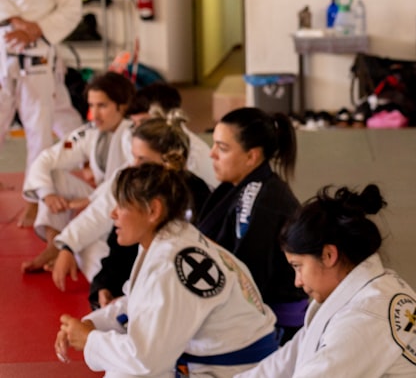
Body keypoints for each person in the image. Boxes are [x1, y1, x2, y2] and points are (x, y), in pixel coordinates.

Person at [54, 163, 277, 376]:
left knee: (128, 373)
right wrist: (93, 323)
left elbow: (146, 359)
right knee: (121, 366)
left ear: (154, 210)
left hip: (236, 370)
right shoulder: (172, 238)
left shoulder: (173, 264)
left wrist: (90, 339)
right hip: (220, 359)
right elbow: (139, 302)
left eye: (122, 206)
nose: (113, 214)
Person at [234, 184, 416, 377]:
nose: (297, 282)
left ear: (328, 255)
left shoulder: (366, 317)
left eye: (298, 267)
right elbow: (286, 361)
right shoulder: (370, 292)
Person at [46, 111, 211, 309]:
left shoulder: (197, 195)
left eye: (142, 159)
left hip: (176, 294)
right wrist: (106, 287)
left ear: (170, 159)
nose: (134, 165)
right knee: (90, 253)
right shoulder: (135, 188)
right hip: (137, 286)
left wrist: (133, 302)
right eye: (133, 157)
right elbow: (117, 248)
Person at [0, 0, 83, 227]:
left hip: (37, 55)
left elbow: (72, 10)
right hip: (3, 43)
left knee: (38, 132)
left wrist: (34, 29)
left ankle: (34, 200)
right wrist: (12, 19)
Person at [199, 107, 308, 342]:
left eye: (223, 148)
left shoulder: (260, 201)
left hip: (274, 328)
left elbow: (247, 277)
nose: (212, 154)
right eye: (214, 144)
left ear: (252, 156)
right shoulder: (236, 185)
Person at [21, 71, 134, 272]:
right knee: (53, 177)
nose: (94, 114)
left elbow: (129, 177)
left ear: (122, 105)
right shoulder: (92, 132)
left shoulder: (133, 134)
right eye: (91, 105)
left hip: (127, 207)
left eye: (102, 106)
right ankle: (54, 246)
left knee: (93, 254)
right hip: (102, 203)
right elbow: (47, 159)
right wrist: (47, 195)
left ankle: (68, 249)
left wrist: (90, 201)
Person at [125, 81, 218, 189]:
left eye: (144, 122)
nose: (138, 129)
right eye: (134, 123)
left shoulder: (194, 161)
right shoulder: (137, 141)